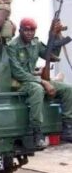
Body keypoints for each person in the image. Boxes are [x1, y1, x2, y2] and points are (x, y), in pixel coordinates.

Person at [7, 18, 72, 146]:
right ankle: (37, 132)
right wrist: (42, 81)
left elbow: (52, 56)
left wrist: (54, 36)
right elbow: (17, 72)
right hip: (19, 82)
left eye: (32, 30)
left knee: (68, 89)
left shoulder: (35, 44)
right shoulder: (12, 47)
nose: (29, 33)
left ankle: (68, 128)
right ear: (20, 30)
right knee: (37, 89)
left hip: (34, 80)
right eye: (26, 30)